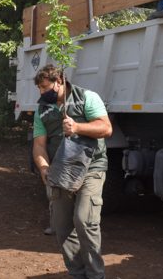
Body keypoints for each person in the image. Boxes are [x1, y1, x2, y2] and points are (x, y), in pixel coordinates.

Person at [32, 64, 112, 279]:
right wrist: (44, 167)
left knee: (84, 220)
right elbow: (39, 144)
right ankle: (78, 274)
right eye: (39, 88)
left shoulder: (87, 97)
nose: (42, 92)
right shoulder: (42, 108)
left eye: (45, 87)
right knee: (62, 226)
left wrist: (77, 127)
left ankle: (96, 276)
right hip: (60, 171)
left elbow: (106, 128)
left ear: (59, 81)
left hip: (91, 166)